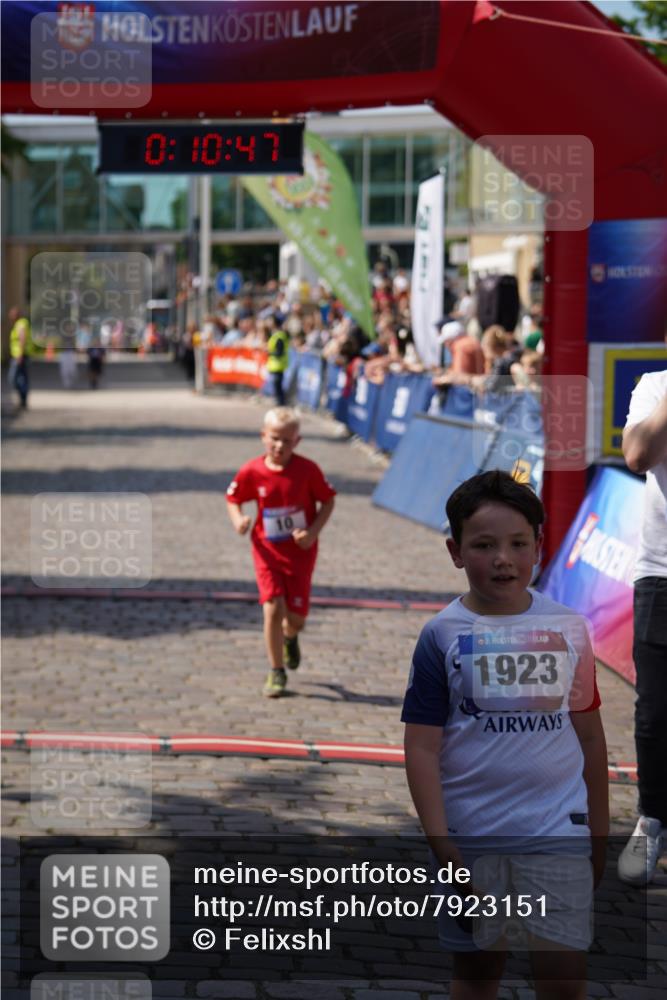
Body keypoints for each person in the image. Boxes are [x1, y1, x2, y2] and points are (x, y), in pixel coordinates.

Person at [402, 470, 608, 1000]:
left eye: (519, 544)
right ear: (455, 550)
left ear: (540, 547)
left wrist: (600, 833)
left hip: (558, 833)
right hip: (473, 841)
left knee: (563, 978)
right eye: (484, 545)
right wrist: (443, 847)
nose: (503, 558)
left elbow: (588, 735)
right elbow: (422, 748)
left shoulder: (570, 629)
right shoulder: (440, 635)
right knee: (476, 975)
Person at [226, 407, 336, 698]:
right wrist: (239, 519)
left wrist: (312, 532)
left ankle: (290, 637)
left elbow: (327, 501)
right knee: (273, 607)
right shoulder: (252, 470)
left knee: (296, 618)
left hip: (300, 553)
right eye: (274, 438)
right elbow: (233, 498)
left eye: (287, 441)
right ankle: (276, 670)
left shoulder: (308, 470)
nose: (279, 446)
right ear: (263, 436)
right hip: (266, 550)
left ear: (297, 441)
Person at [618, 369, 667, 885]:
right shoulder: (655, 386)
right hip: (662, 571)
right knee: (656, 711)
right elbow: (637, 456)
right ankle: (652, 819)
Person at [8, 306, 34, 409]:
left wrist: (20, 354)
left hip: (20, 356)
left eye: (11, 314)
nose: (10, 316)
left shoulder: (21, 324)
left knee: (13, 378)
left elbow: (22, 338)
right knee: (22, 378)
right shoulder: (21, 323)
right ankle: (23, 400)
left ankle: (23, 399)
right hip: (21, 355)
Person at [266, 322, 290, 405]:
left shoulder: (279, 337)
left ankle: (281, 403)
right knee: (277, 386)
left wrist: (269, 353)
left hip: (278, 366)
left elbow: (279, 352)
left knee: (278, 387)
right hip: (275, 366)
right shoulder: (276, 336)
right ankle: (279, 402)